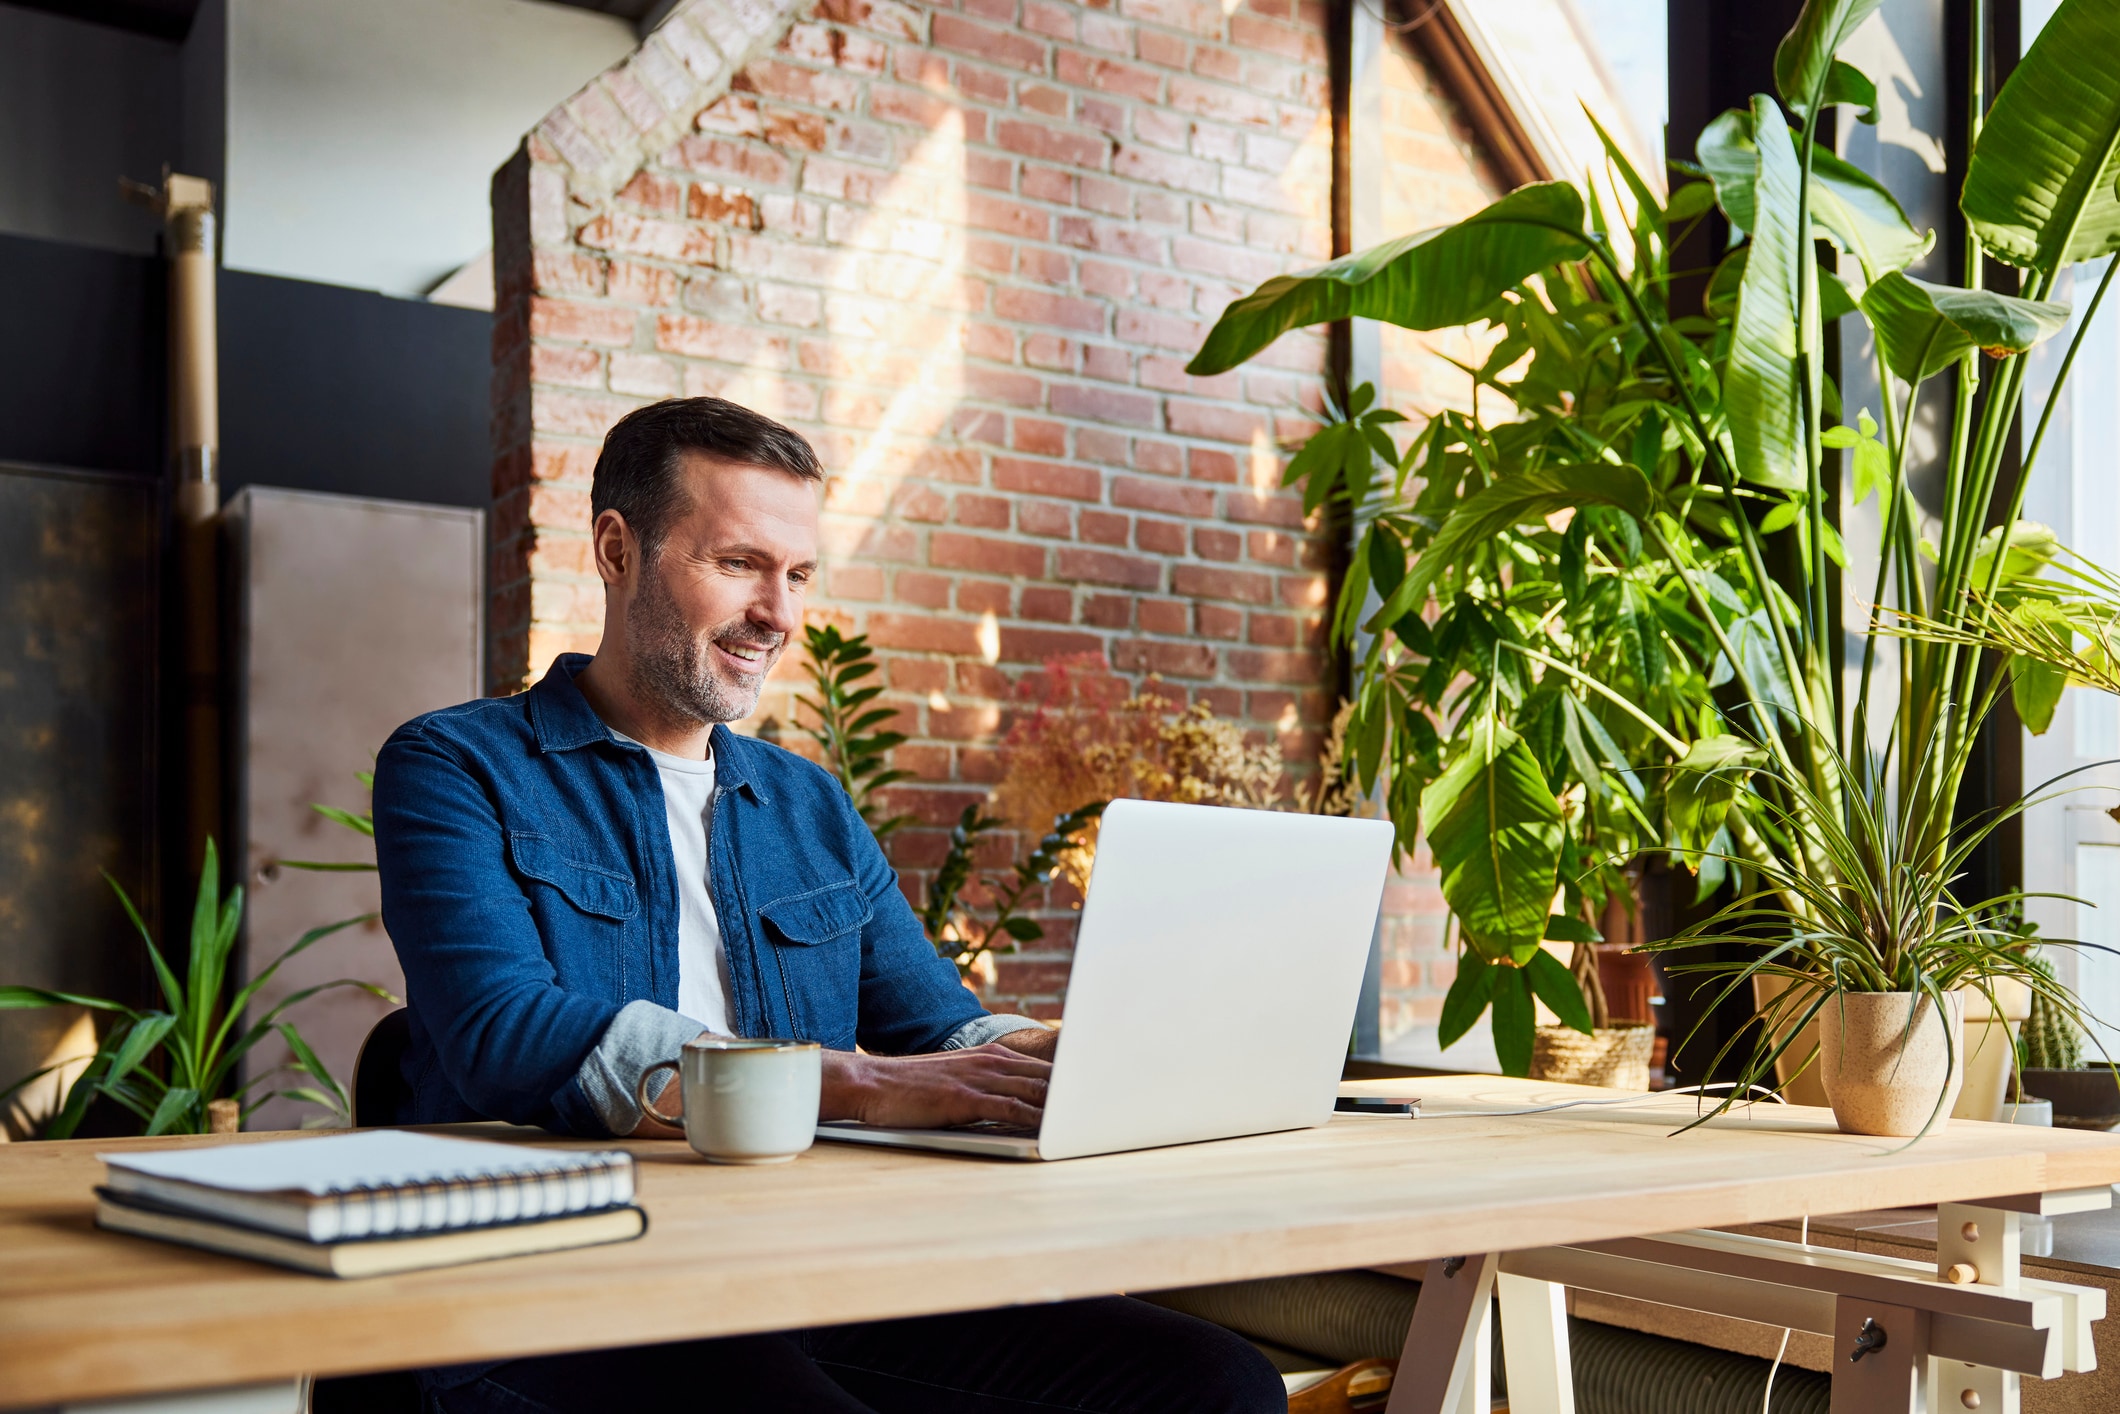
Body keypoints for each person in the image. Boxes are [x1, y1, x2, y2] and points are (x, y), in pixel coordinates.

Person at [373, 397, 1286, 1414]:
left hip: (807, 1267)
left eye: (797, 574)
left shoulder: (805, 801)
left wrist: (1105, 1050)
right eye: (739, 563)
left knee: (1216, 1384)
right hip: (563, 1285)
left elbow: (941, 1027)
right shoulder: (456, 764)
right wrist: (850, 1082)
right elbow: (503, 1029)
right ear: (615, 549)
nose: (780, 613)